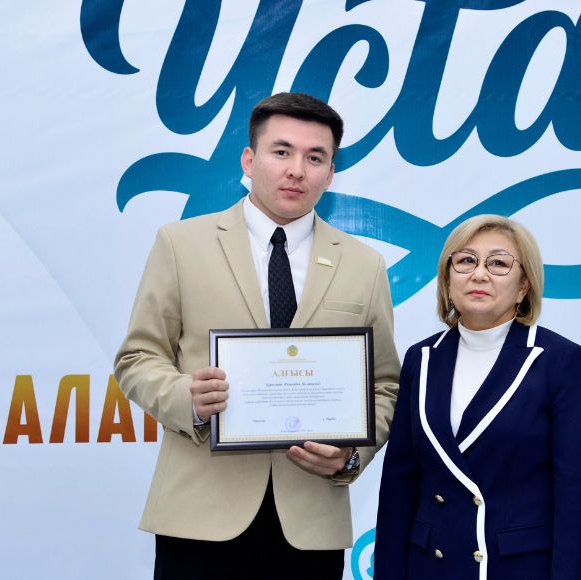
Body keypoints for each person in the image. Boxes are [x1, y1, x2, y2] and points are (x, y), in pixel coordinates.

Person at [115, 92, 400, 579]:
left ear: (331, 173)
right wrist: (188, 398)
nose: (297, 170)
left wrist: (351, 455)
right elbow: (138, 357)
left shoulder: (364, 264)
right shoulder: (181, 244)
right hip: (199, 514)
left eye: (315, 158)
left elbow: (385, 384)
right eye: (281, 151)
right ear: (249, 160)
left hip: (310, 521)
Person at [374, 215, 581, 579]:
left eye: (498, 263)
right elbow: (399, 488)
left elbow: (576, 499)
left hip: (516, 568)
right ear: (447, 279)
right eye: (466, 261)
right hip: (431, 567)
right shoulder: (421, 358)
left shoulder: (559, 361)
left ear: (524, 285)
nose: (479, 275)